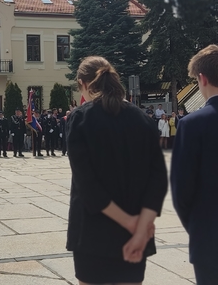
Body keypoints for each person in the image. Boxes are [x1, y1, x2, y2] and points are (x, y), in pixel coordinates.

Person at [66, 56, 167, 285]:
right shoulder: (142, 118)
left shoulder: (80, 118)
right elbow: (158, 179)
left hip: (92, 232)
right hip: (135, 232)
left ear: (82, 83)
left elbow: (87, 185)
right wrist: (139, 227)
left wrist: (130, 223)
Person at [171, 44, 218, 284]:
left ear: (202, 78)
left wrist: (198, 229)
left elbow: (182, 191)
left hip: (210, 239)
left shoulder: (192, 124)